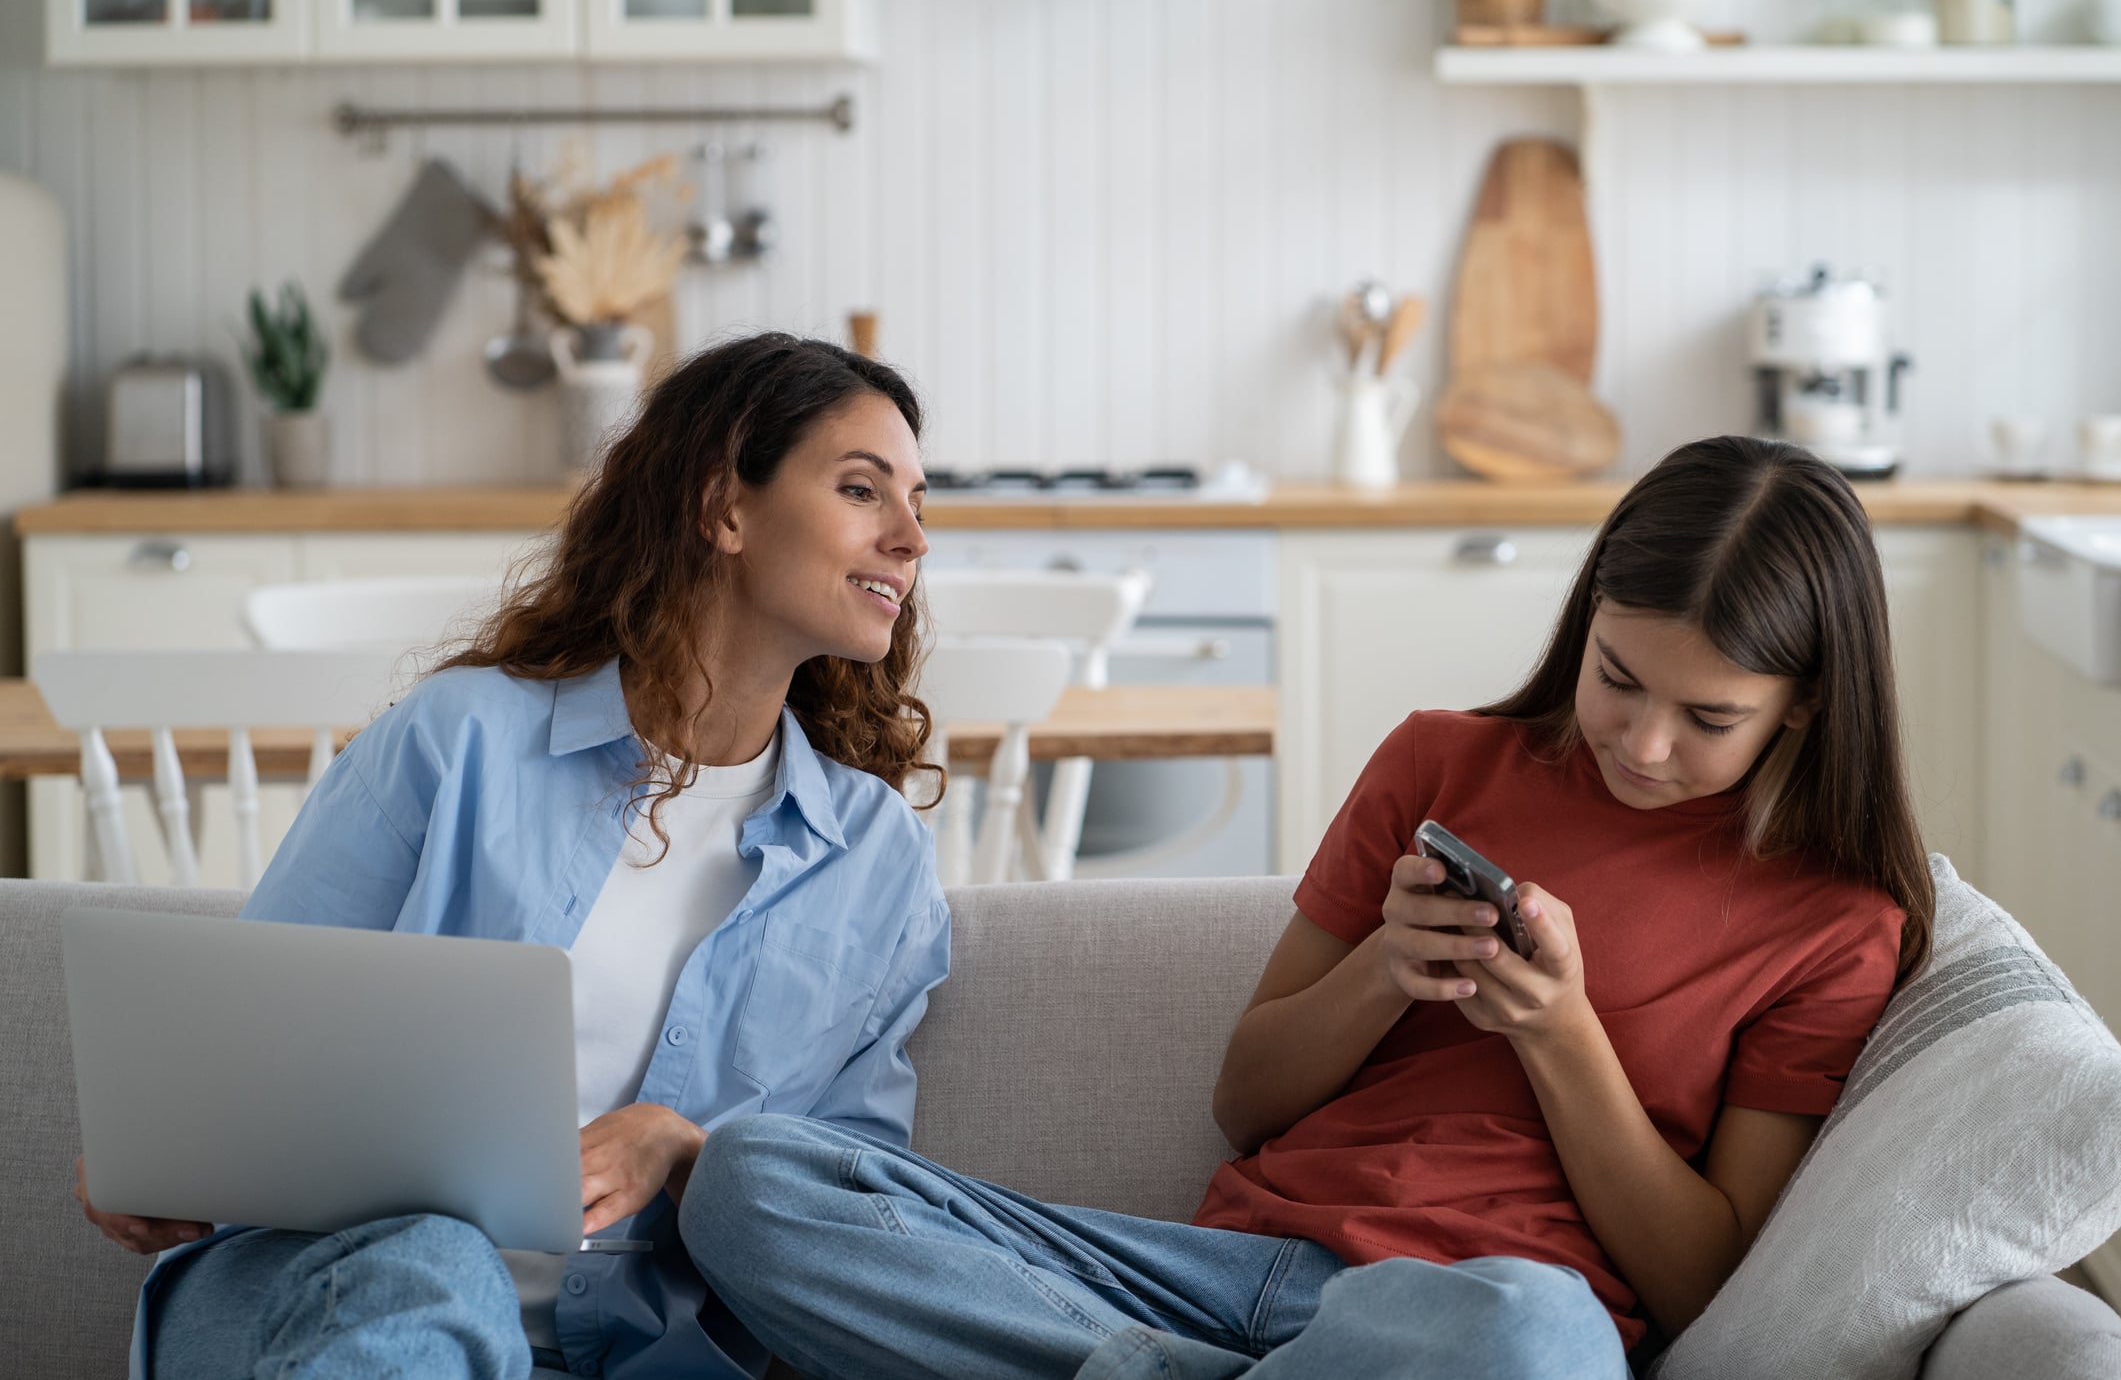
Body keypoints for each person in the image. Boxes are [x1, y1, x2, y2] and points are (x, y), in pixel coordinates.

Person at [682, 434, 1936, 1380]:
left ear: (1805, 710)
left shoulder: (1834, 924)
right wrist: (1388, 964)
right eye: (1618, 678)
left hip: (1462, 1316)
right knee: (749, 1180)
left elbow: (1700, 1275)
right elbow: (1247, 1102)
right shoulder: (1444, 761)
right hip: (1202, 1275)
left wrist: (1561, 1031)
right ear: (1588, 613)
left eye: (1709, 719)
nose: (1644, 742)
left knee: (1540, 1340)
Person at [72, 332, 954, 1380]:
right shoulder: (462, 740)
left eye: (919, 505)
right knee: (436, 1267)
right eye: (864, 489)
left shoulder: (876, 865)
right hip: (330, 1294)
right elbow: (242, 1054)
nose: (911, 538)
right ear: (723, 507)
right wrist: (162, 1154)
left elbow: (858, 1223)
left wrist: (688, 1153)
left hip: (643, 1348)